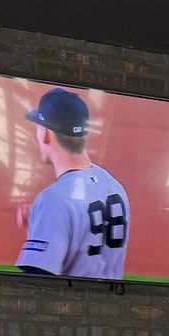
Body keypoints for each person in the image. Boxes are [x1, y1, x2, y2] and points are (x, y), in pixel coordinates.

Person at [15, 87, 133, 280]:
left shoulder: (53, 200)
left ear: (45, 134)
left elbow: (38, 284)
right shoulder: (115, 187)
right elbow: (84, 239)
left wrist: (45, 220)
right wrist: (40, 226)